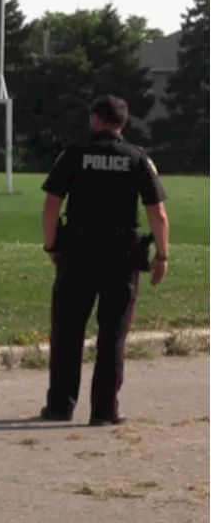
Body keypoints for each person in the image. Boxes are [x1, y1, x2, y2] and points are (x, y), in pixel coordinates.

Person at [39, 95, 169, 426]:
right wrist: (162, 256)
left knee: (67, 332)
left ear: (97, 120)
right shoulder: (138, 159)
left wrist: (51, 245)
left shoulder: (73, 155)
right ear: (122, 123)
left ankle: (60, 406)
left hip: (78, 254)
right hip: (121, 258)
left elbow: (52, 206)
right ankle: (104, 410)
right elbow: (158, 213)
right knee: (112, 335)